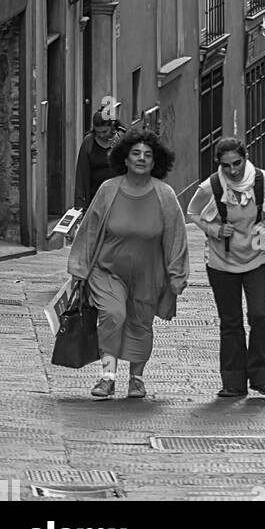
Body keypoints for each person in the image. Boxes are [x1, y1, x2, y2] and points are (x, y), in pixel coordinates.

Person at [67, 127, 189, 401]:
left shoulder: (165, 195)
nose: (141, 159)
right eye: (136, 153)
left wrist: (177, 275)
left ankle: (136, 378)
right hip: (107, 270)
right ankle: (107, 377)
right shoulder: (108, 190)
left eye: (147, 154)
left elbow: (176, 237)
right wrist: (79, 268)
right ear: (124, 158)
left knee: (141, 324)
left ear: (156, 161)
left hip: (149, 274)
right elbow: (89, 230)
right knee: (113, 315)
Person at [188, 137, 265, 399]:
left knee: (260, 316)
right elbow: (193, 212)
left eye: (237, 163)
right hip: (222, 261)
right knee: (230, 321)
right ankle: (233, 382)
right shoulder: (211, 186)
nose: (232, 170)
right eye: (226, 165)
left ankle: (263, 379)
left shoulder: (264, 180)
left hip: (260, 257)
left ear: (246, 157)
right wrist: (214, 229)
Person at [73, 98, 124, 211]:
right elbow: (81, 174)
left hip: (118, 198)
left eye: (104, 131)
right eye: (98, 132)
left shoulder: (120, 141)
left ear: (112, 126)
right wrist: (80, 205)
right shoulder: (88, 142)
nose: (101, 135)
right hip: (94, 199)